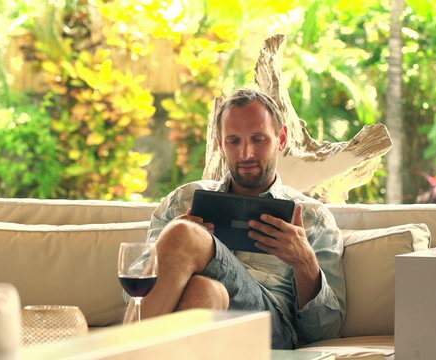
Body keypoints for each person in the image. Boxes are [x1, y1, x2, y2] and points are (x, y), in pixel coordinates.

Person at [124, 88, 346, 349]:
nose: (246, 153)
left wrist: (305, 262)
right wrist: (170, 250)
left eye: (258, 139)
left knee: (184, 233)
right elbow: (134, 297)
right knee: (205, 291)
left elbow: (327, 332)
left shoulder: (312, 217)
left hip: (269, 329)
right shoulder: (182, 200)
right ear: (220, 143)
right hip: (205, 317)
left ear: (281, 138)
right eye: (234, 141)